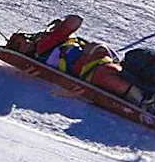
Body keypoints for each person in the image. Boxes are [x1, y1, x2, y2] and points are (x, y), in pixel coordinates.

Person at [7, 15, 146, 105]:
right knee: (115, 78)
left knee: (120, 77)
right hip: (93, 69)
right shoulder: (43, 47)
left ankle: (147, 99)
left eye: (23, 39)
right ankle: (146, 102)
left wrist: (59, 29)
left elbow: (76, 21)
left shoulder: (45, 43)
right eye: (18, 44)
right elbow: (75, 21)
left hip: (97, 65)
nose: (25, 42)